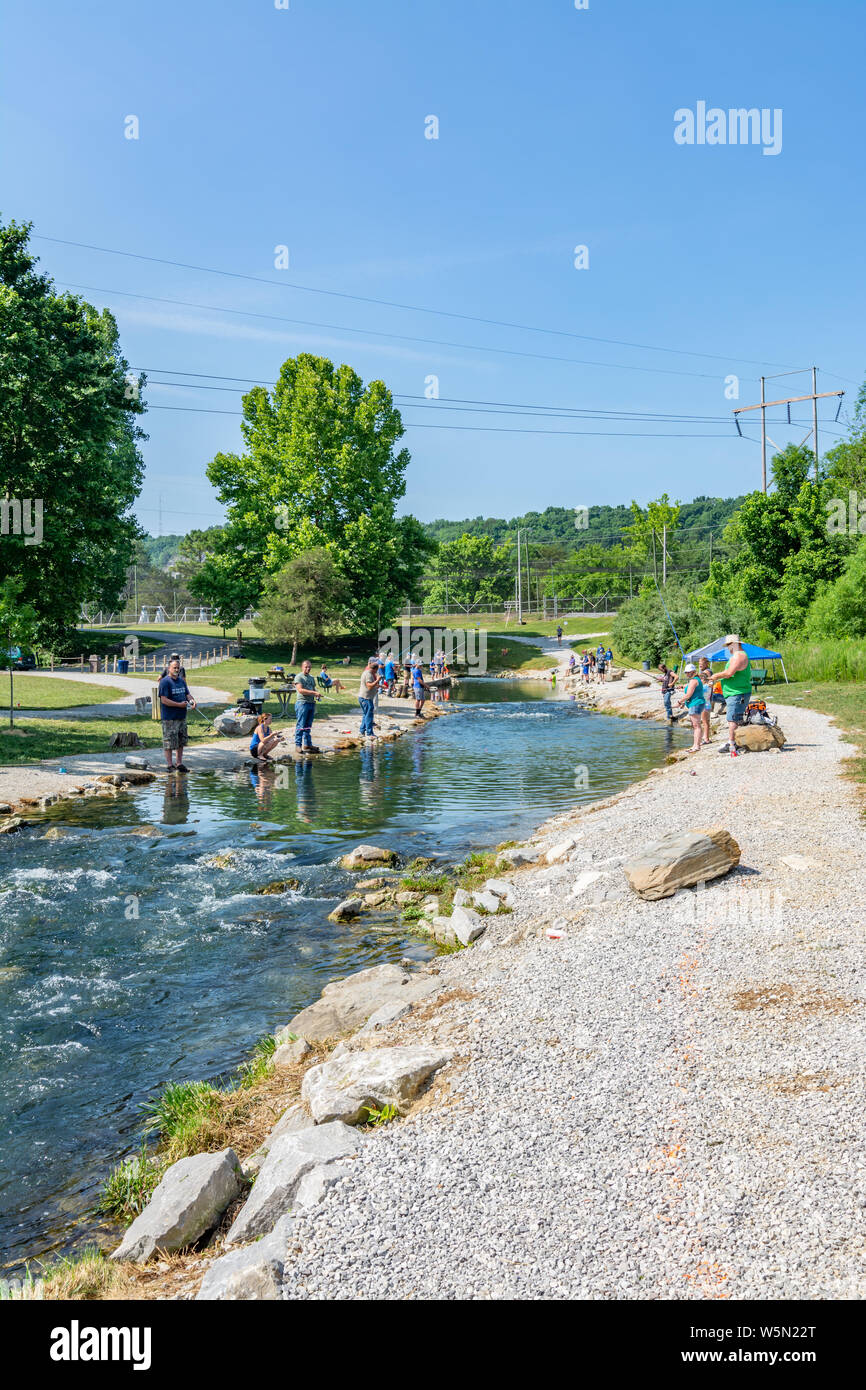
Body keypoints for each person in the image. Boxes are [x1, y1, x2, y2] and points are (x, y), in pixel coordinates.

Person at [716, 634, 751, 758]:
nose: (728, 648)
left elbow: (729, 673)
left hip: (737, 693)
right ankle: (738, 742)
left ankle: (732, 744)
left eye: (729, 645)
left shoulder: (739, 656)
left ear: (735, 644)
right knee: (736, 718)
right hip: (736, 692)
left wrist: (715, 676)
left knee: (732, 719)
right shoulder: (738, 655)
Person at [158, 656, 196, 772]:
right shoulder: (165, 682)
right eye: (174, 667)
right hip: (169, 718)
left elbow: (187, 694)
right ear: (169, 668)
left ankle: (179, 763)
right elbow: (164, 700)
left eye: (178, 668)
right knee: (169, 741)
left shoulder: (181, 681)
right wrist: (178, 705)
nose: (176, 670)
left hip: (181, 717)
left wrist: (192, 701)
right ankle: (170, 765)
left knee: (181, 741)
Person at [294, 659, 321, 753]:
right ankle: (298, 745)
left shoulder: (311, 678)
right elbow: (300, 690)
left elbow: (313, 689)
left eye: (309, 667)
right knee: (301, 725)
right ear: (302, 667)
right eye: (306, 667)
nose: (308, 668)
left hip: (311, 703)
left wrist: (317, 695)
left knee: (308, 726)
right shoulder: (299, 677)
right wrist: (314, 692)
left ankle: (307, 745)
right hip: (302, 703)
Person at [677, 662, 706, 752]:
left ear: (693, 671)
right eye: (686, 672)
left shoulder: (694, 681)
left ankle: (697, 746)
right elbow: (691, 692)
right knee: (696, 725)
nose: (686, 674)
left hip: (696, 704)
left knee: (696, 726)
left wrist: (679, 702)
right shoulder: (696, 679)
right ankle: (695, 745)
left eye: (688, 672)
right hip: (696, 703)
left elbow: (688, 694)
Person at [358, 657, 380, 738]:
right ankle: (370, 733)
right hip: (366, 698)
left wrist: (379, 686)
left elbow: (371, 684)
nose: (377, 672)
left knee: (366, 715)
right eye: (376, 671)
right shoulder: (368, 674)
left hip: (364, 697)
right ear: (374, 669)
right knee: (369, 715)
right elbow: (369, 686)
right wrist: (377, 680)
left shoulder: (367, 672)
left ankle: (361, 731)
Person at [698, 658, 714, 746]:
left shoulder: (707, 672)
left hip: (704, 704)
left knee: (704, 722)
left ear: (706, 663)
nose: (700, 665)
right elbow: (710, 684)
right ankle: (706, 738)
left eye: (702, 663)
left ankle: (706, 739)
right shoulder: (707, 686)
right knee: (706, 722)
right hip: (707, 703)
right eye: (699, 663)